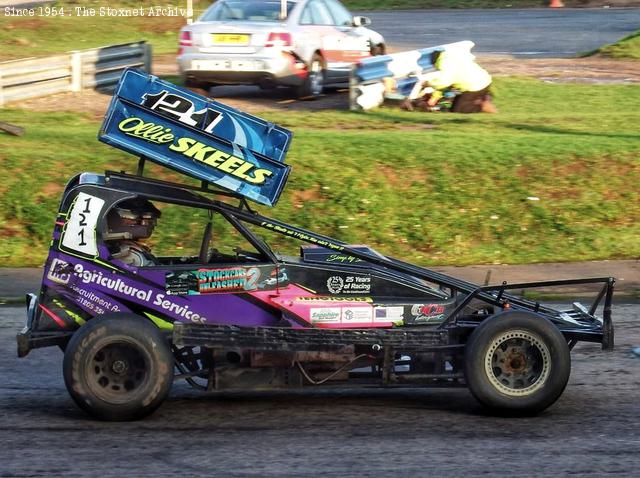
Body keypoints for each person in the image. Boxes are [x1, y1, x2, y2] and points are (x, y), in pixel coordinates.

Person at [402, 44, 497, 113]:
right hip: (485, 80)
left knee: (458, 109)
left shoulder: (446, 65)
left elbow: (443, 82)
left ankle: (482, 105)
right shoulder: (452, 57)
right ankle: (484, 97)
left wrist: (429, 83)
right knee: (455, 102)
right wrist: (436, 94)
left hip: (475, 86)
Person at [103, 199, 160, 267]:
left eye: (153, 221)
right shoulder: (127, 254)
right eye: (149, 220)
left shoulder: (129, 246)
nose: (153, 224)